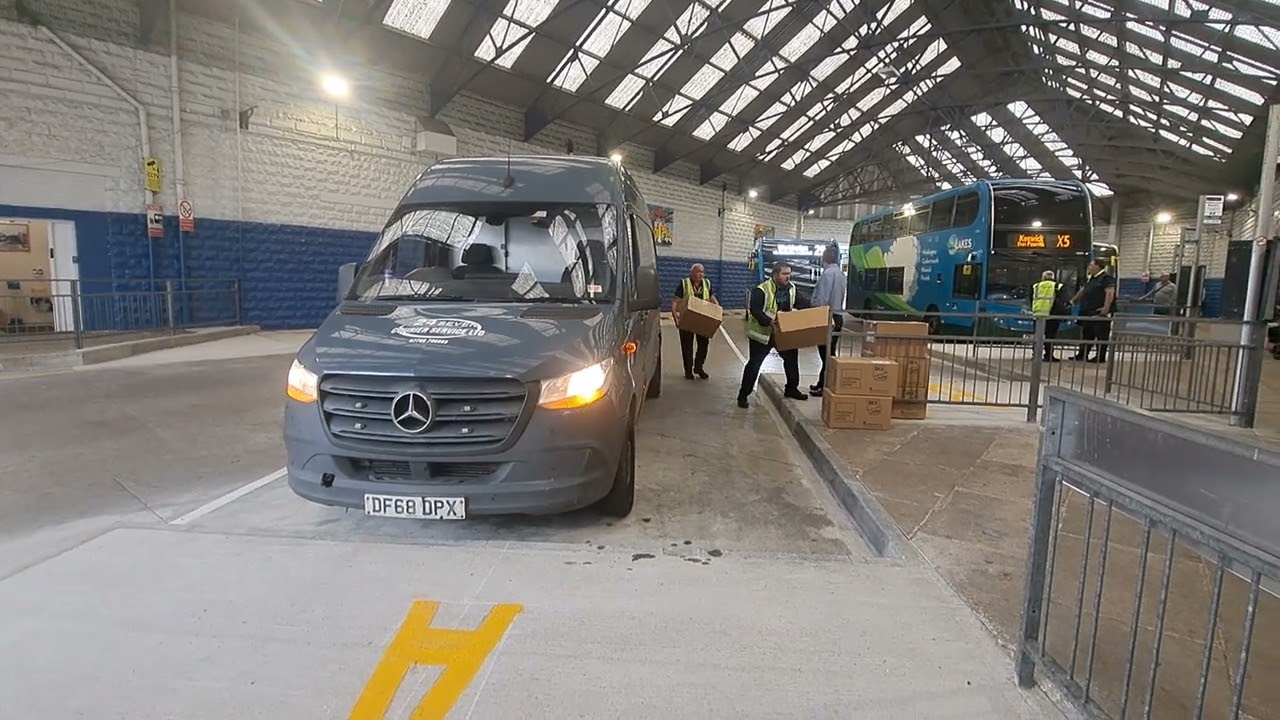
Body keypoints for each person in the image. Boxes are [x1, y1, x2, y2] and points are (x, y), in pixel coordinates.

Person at [738, 261, 812, 408]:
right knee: (754, 364)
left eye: (789, 274)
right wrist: (769, 322)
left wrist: (817, 311)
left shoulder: (792, 289)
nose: (788, 277)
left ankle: (792, 389)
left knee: (791, 359)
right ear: (775, 274)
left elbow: (803, 303)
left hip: (782, 333)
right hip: (763, 335)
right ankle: (743, 395)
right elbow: (755, 309)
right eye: (785, 274)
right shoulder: (762, 290)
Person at [808, 246, 846, 396]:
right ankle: (821, 383)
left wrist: (813, 312)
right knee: (829, 353)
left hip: (826, 316)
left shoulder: (827, 275)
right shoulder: (841, 275)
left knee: (826, 356)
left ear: (823, 259)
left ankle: (824, 387)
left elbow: (822, 299)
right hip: (838, 316)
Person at [671, 263, 718, 380]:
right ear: (692, 273)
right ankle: (688, 371)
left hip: (702, 320)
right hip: (687, 320)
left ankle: (699, 368)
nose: (700, 274)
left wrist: (718, 311)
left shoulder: (707, 283)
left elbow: (712, 298)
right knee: (687, 346)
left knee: (703, 345)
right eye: (698, 271)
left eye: (702, 272)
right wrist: (676, 318)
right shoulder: (684, 283)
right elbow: (676, 302)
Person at [1070, 258, 1116, 363]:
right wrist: (1073, 301)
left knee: (1101, 335)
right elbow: (1083, 290)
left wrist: (1106, 308)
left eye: (1091, 265)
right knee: (1087, 334)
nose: (1089, 267)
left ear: (1098, 266)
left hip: (1099, 311)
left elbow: (1110, 292)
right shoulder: (1091, 278)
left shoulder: (1106, 278)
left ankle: (1100, 357)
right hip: (1088, 310)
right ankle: (1082, 355)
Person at [1031, 270, 1068, 362]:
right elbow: (1062, 301)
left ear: (1042, 278)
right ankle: (1049, 355)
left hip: (1038, 314)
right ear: (1053, 278)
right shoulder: (1058, 287)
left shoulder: (1035, 286)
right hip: (1052, 315)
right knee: (1050, 337)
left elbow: (1031, 298)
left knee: (1037, 336)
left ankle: (1035, 355)